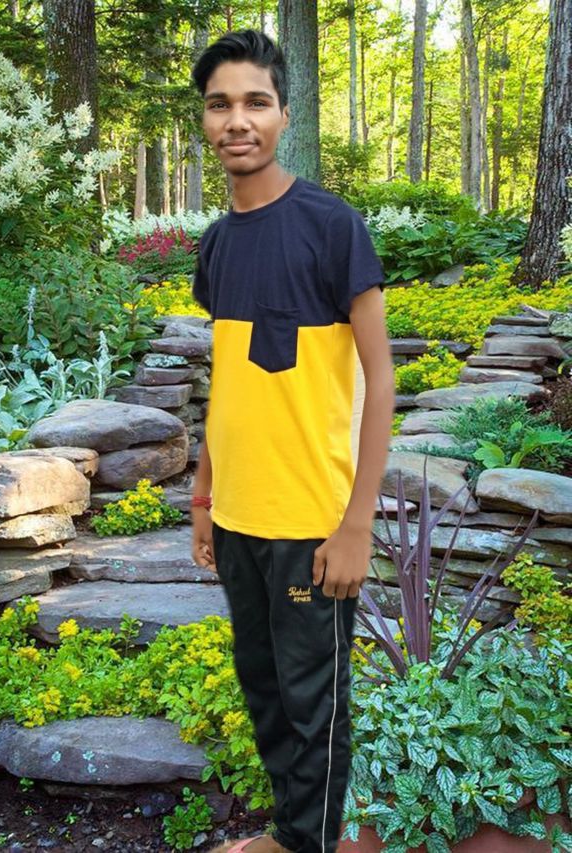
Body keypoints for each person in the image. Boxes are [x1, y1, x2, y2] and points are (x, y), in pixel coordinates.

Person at [189, 28, 395, 853]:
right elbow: (229, 378)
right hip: (239, 516)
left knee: (316, 704)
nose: (237, 120)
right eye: (220, 104)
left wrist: (357, 524)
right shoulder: (216, 243)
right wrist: (204, 497)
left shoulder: (332, 226)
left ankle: (306, 843)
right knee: (266, 690)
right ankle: (289, 834)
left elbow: (381, 379)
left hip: (312, 522)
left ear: (283, 114)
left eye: (255, 102)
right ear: (205, 120)